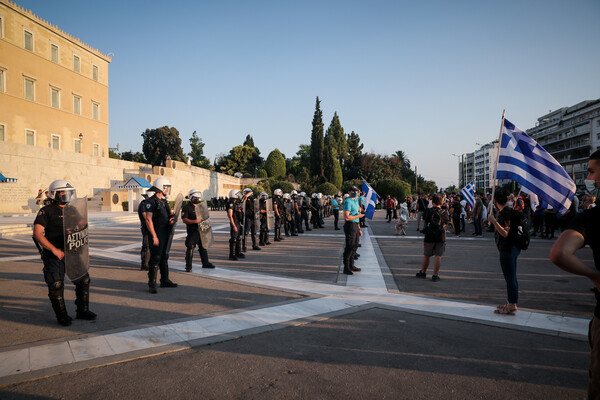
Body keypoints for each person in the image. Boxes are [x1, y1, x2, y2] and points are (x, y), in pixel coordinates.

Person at [550, 150, 600, 398]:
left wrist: (595, 276)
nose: (588, 178)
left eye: (591, 171)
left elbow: (560, 253)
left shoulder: (593, 217)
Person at [33, 179, 96, 326]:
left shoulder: (71, 209)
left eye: (68, 192)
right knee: (55, 284)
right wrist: (54, 250)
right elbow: (37, 233)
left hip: (72, 251)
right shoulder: (46, 211)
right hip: (54, 254)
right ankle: (62, 316)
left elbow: (81, 223)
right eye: (63, 192)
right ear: (55, 194)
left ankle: (83, 310)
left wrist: (81, 227)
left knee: (84, 280)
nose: (66, 194)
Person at [487, 189, 524, 315]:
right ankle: (511, 302)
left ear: (495, 201)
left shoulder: (505, 213)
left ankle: (512, 304)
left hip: (508, 248)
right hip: (513, 247)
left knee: (510, 277)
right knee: (511, 276)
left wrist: (494, 221)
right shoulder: (507, 210)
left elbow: (505, 233)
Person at [143, 177, 178, 293]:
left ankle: (165, 280)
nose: (168, 189)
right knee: (156, 258)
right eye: (166, 187)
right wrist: (154, 236)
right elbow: (148, 219)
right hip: (157, 232)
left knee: (164, 256)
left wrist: (171, 220)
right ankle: (152, 284)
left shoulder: (163, 202)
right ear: (161, 187)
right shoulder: (151, 202)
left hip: (165, 232)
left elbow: (168, 217)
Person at [415, 194, 448, 282]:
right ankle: (435, 275)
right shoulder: (444, 213)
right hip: (440, 237)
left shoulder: (428, 211)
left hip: (429, 235)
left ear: (432, 202)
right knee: (438, 256)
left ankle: (423, 272)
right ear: (441, 202)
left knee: (427, 256)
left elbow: (425, 222)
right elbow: (445, 225)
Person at [181, 189, 215, 271]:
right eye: (195, 198)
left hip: (201, 230)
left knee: (203, 246)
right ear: (190, 197)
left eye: (198, 198)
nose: (197, 200)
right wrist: (195, 221)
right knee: (190, 247)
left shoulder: (200, 206)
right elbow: (184, 219)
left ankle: (205, 263)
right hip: (192, 231)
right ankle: (188, 266)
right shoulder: (187, 207)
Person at [342, 186, 364, 275]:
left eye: (356, 191)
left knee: (355, 245)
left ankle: (351, 265)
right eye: (353, 191)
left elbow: (359, 210)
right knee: (349, 246)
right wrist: (358, 216)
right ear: (349, 192)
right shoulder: (348, 201)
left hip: (355, 225)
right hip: (350, 225)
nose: (355, 192)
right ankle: (346, 267)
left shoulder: (355, 200)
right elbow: (346, 217)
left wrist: (359, 228)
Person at [227, 189, 246, 260]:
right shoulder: (230, 204)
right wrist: (234, 225)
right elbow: (230, 215)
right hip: (234, 222)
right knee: (234, 239)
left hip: (238, 222)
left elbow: (244, 198)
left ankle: (238, 252)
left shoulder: (236, 203)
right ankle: (232, 255)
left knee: (238, 238)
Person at [138, 191, 154, 271]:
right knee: (146, 246)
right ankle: (145, 264)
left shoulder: (147, 204)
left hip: (149, 227)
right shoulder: (144, 204)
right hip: (146, 227)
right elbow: (146, 216)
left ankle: (148, 263)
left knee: (149, 246)